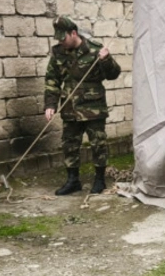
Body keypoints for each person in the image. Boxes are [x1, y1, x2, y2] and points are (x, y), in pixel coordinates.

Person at [45, 16, 122, 196]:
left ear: (74, 33)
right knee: (69, 144)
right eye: (59, 38)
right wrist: (50, 104)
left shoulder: (95, 50)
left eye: (63, 38)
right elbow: (52, 79)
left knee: (98, 144)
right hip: (70, 107)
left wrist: (106, 60)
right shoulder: (58, 53)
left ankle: (100, 179)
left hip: (93, 107)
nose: (61, 42)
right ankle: (73, 181)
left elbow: (113, 74)